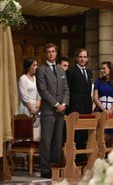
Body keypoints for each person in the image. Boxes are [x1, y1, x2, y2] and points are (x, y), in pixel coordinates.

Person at [36, 43, 69, 178]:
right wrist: (56, 104)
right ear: (45, 54)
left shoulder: (61, 70)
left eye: (53, 51)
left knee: (57, 141)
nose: (51, 54)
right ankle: (45, 169)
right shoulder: (41, 70)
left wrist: (64, 104)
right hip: (49, 110)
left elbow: (66, 89)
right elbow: (43, 91)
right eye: (48, 52)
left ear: (56, 53)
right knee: (47, 141)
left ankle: (55, 167)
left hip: (61, 111)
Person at [66, 48, 92, 164]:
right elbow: (67, 90)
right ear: (76, 58)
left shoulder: (89, 72)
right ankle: (74, 160)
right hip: (75, 106)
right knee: (76, 134)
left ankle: (83, 159)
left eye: (85, 57)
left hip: (86, 106)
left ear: (87, 59)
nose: (82, 59)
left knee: (84, 133)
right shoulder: (71, 71)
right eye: (80, 57)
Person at [93, 61, 113, 146]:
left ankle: (109, 155)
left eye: (104, 68)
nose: (102, 70)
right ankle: (100, 154)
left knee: (111, 135)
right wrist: (103, 110)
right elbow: (95, 98)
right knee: (100, 133)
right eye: (101, 69)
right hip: (100, 110)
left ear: (110, 69)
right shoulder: (98, 81)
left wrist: (110, 110)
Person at [18, 58, 41, 141]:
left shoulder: (36, 78)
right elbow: (24, 96)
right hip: (26, 107)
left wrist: (37, 108)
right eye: (34, 65)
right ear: (28, 67)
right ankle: (24, 152)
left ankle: (35, 151)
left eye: (36, 65)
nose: (36, 67)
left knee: (36, 131)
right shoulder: (23, 79)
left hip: (35, 108)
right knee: (26, 129)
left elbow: (39, 94)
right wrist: (32, 109)